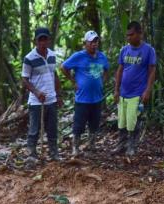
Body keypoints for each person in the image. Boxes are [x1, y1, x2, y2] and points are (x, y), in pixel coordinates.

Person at [61, 31, 109, 156]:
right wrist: (73, 81)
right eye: (91, 42)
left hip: (97, 98)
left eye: (96, 41)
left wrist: (102, 82)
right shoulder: (78, 56)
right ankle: (75, 148)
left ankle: (91, 146)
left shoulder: (102, 57)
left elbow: (106, 70)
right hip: (82, 99)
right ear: (85, 43)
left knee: (94, 124)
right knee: (79, 125)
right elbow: (63, 67)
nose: (94, 44)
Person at [113, 21, 156, 156]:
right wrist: (116, 89)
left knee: (133, 120)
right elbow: (120, 70)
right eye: (127, 35)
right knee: (122, 120)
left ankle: (131, 146)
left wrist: (148, 90)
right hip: (123, 93)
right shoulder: (124, 50)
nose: (128, 38)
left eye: (131, 35)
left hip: (137, 93)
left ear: (139, 34)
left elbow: (152, 71)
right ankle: (121, 144)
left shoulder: (148, 50)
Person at [22, 27, 63, 163]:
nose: (43, 42)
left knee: (52, 128)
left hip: (51, 99)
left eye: (45, 39)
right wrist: (37, 92)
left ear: (49, 40)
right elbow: (24, 80)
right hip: (36, 101)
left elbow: (54, 75)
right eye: (40, 40)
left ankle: (53, 153)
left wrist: (59, 95)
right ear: (35, 41)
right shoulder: (29, 58)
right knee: (34, 129)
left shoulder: (52, 55)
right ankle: (31, 154)